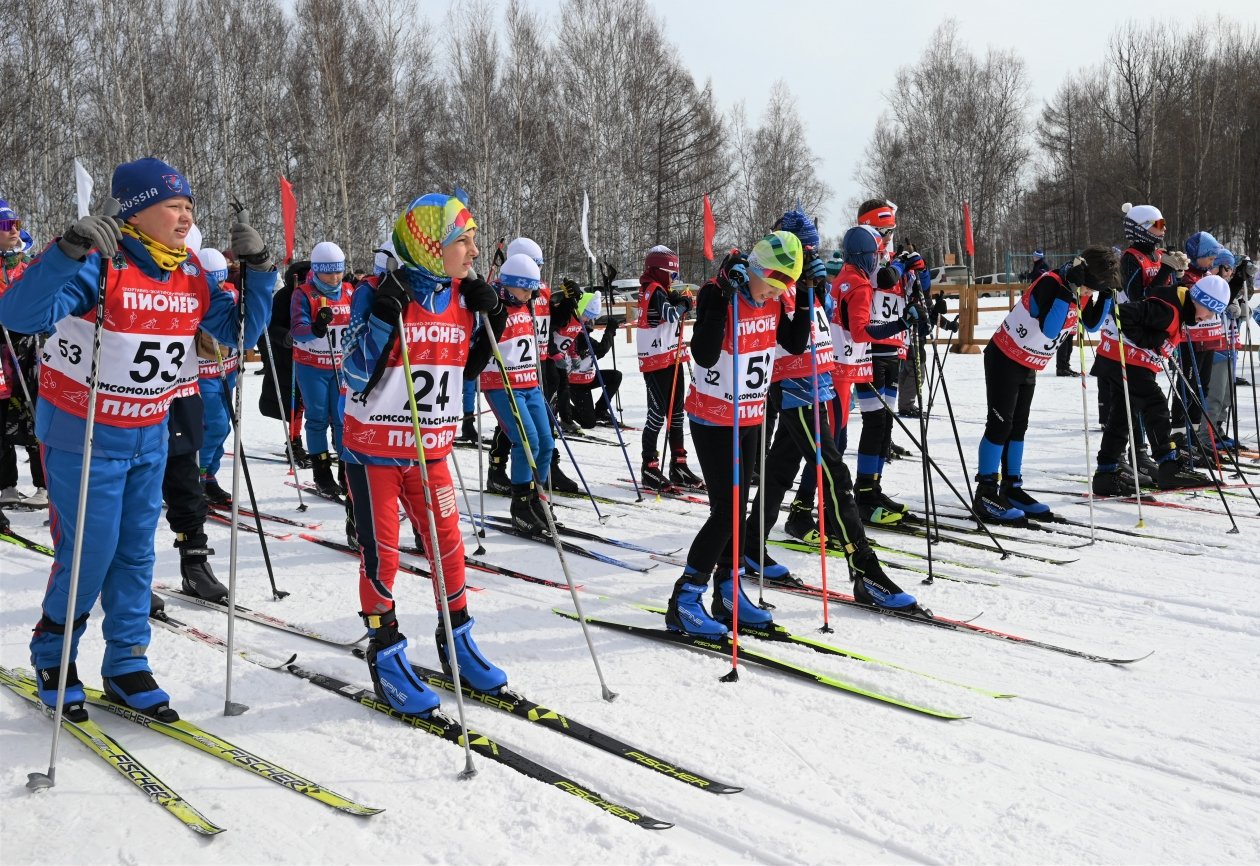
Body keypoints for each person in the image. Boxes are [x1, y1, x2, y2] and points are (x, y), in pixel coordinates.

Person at [0, 156, 272, 720]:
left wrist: (261, 270)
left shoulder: (189, 272)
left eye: (189, 206)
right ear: (136, 210)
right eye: (172, 205)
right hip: (85, 432)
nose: (184, 216)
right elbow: (20, 314)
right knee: (88, 552)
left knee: (134, 554)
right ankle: (53, 654)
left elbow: (239, 328)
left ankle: (126, 660)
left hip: (149, 429)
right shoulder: (99, 264)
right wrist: (66, 251)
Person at [340, 193, 507, 714]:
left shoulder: (461, 297)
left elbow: (467, 367)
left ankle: (457, 639)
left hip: (430, 448)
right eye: (464, 240)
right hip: (374, 452)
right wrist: (386, 317)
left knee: (449, 547)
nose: (475, 251)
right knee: (383, 554)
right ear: (431, 246)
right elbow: (353, 373)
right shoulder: (375, 292)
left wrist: (493, 319)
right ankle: (386, 653)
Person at [743, 214, 919, 611]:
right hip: (796, 387)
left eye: (814, 248)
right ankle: (864, 570)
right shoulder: (777, 285)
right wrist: (803, 289)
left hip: (818, 382)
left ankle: (750, 545)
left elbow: (827, 322)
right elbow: (788, 334)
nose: (812, 256)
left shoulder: (808, 282)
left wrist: (817, 288)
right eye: (806, 249)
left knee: (781, 468)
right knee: (834, 474)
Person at [664, 232, 805, 636]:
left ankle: (727, 590)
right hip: (714, 418)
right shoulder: (717, 292)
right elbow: (704, 353)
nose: (774, 294)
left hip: (752, 414)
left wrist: (810, 294)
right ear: (758, 269)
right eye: (773, 284)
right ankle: (685, 599)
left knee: (738, 511)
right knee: (725, 511)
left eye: (784, 287)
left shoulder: (777, 298)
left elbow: (793, 344)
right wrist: (723, 299)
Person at [975, 246, 1116, 522]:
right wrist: (1068, 291)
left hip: (1028, 361)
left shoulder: (1080, 288)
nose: (1087, 295)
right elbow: (1050, 328)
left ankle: (1012, 487)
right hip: (1005, 356)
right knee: (1000, 424)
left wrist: (1107, 294)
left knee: (1018, 425)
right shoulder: (1052, 282)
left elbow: (1091, 325)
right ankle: (986, 492)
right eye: (1088, 289)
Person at [1091, 274, 1223, 494]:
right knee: (1156, 404)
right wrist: (1149, 339)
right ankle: (1168, 464)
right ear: (1198, 300)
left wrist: (1155, 340)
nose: (1208, 316)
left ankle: (1105, 473)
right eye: (1208, 310)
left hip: (1122, 360)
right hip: (1123, 359)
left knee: (1122, 416)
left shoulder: (1178, 307)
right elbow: (1120, 314)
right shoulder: (1168, 309)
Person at [1091, 203, 1181, 483]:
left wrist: (1176, 269)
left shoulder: (1155, 254)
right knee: (1137, 398)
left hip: (1145, 335)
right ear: (1142, 227)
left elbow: (1164, 293)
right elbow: (1138, 295)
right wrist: (1166, 272)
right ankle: (1129, 456)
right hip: (1125, 335)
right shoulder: (1131, 257)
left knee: (1134, 401)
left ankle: (1136, 454)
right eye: (1157, 224)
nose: (1162, 230)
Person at [851, 199, 927, 524]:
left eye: (892, 230)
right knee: (875, 422)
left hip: (893, 346)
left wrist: (920, 272)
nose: (889, 236)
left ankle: (875, 487)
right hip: (870, 348)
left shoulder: (893, 258)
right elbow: (881, 278)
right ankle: (864, 494)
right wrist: (900, 267)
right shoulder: (864, 257)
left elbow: (914, 291)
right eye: (884, 230)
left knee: (887, 423)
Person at [478, 253, 556, 534]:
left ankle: (537, 499)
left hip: (529, 383)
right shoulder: (493, 306)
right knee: (527, 442)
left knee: (546, 443)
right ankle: (520, 506)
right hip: (502, 384)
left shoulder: (527, 306)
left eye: (532, 290)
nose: (528, 295)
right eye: (524, 289)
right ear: (509, 284)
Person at [292, 241, 354, 498]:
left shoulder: (350, 291)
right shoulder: (304, 293)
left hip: (340, 366)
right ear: (316, 271)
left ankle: (345, 471)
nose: (335, 277)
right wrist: (315, 328)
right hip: (311, 366)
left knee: (341, 418)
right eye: (328, 272)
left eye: (338, 271)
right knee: (317, 417)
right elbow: (297, 329)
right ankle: (322, 473)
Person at [636, 245, 700, 490]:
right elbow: (671, 315)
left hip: (671, 359)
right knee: (656, 415)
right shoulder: (652, 290)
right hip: (655, 363)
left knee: (676, 414)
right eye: (671, 275)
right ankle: (649, 467)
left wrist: (678, 298)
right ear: (660, 271)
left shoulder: (659, 289)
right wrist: (684, 303)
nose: (673, 279)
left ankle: (678, 464)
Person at [0, 199, 46, 509]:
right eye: (6, 225)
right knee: (2, 415)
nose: (14, 229)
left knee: (36, 411)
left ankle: (43, 484)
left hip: (31, 346)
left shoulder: (28, 263)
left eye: (16, 222)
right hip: (1, 349)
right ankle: (7, 484)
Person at [193, 247, 237, 504]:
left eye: (222, 279)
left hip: (227, 369)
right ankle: (198, 473)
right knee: (215, 424)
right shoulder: (193, 295)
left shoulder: (231, 293)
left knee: (225, 426)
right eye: (214, 280)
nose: (218, 286)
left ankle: (209, 475)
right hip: (202, 372)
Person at [258, 259, 310, 467]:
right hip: (288, 358)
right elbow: (270, 327)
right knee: (295, 405)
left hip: (315, 356)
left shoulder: (317, 294)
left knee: (317, 406)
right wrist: (286, 337)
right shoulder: (284, 296)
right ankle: (294, 442)